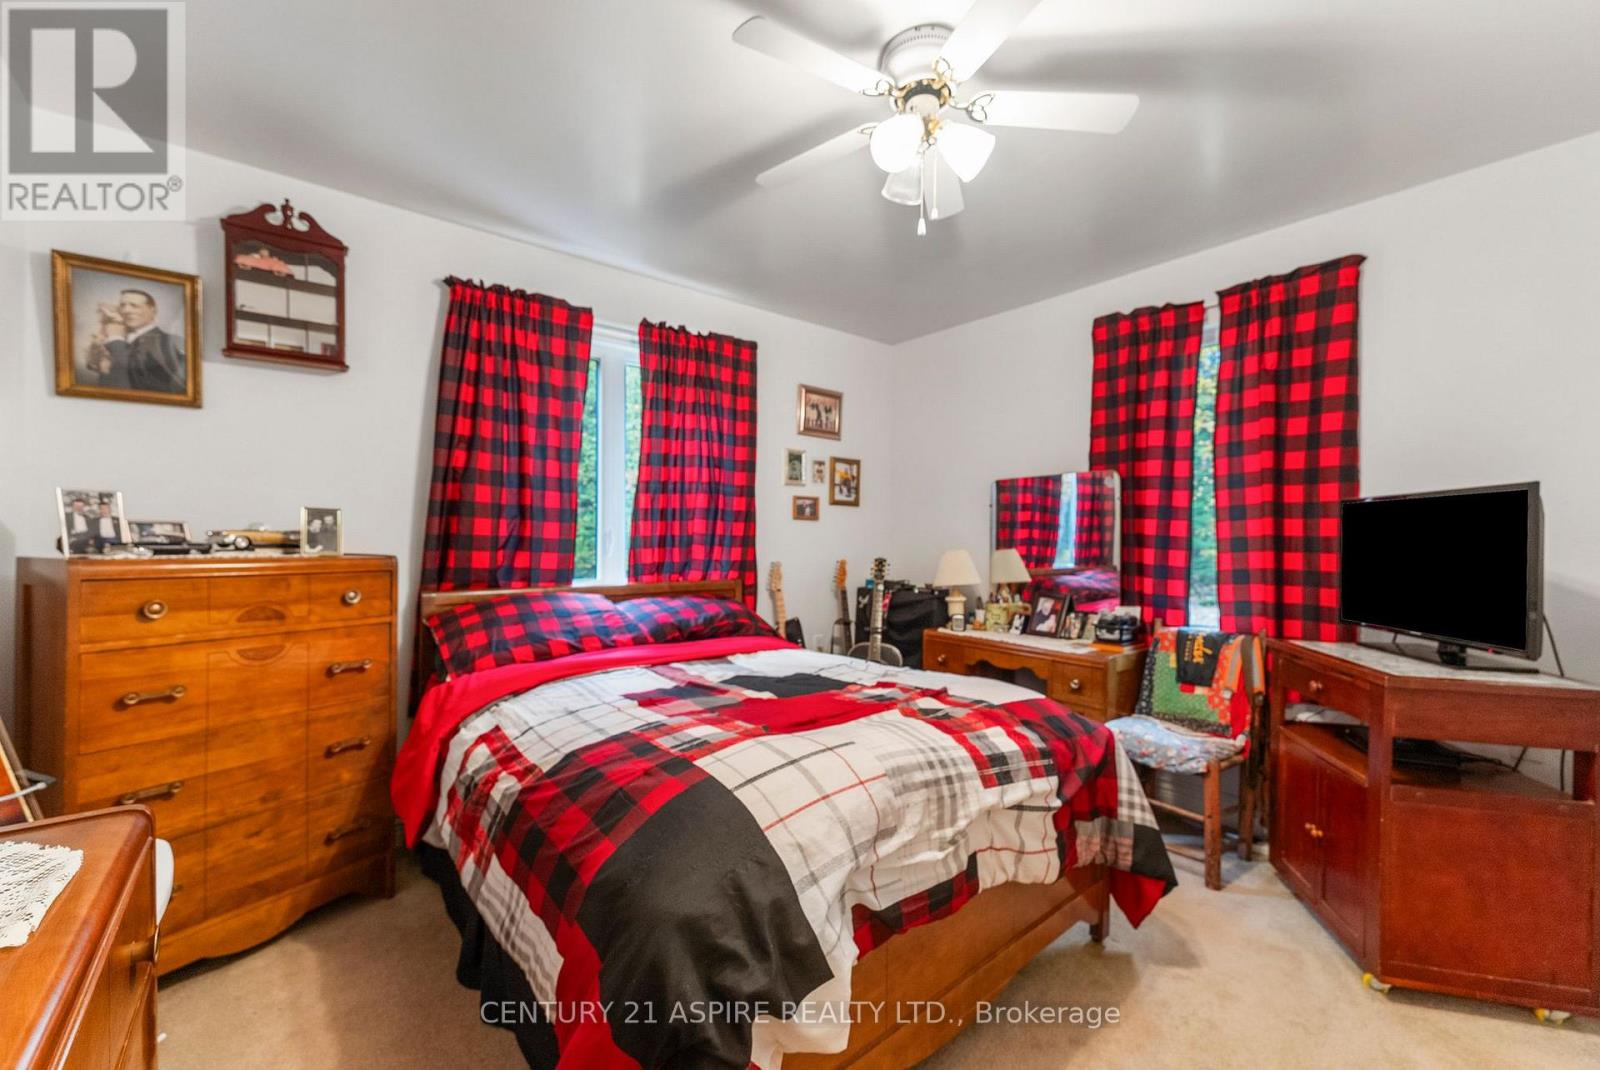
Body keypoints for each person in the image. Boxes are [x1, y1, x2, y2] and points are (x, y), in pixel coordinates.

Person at [86, 289, 185, 394]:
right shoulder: (114, 337)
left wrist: (116, 337)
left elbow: (135, 374)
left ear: (153, 310)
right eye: (122, 305)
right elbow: (93, 367)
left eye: (134, 306)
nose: (126, 310)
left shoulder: (170, 341)